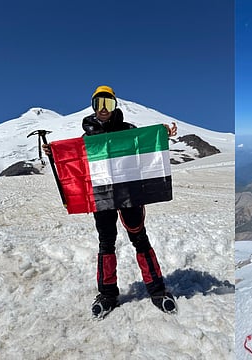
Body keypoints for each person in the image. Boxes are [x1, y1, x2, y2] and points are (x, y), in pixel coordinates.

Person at [43, 85, 178, 318]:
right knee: (106, 242)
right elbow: (77, 164)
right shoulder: (87, 137)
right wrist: (55, 153)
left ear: (115, 106)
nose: (104, 109)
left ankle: (157, 290)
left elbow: (144, 147)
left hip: (129, 194)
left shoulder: (128, 130)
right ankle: (107, 294)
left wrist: (160, 133)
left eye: (109, 103)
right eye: (99, 104)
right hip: (101, 194)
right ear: (94, 107)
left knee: (139, 237)